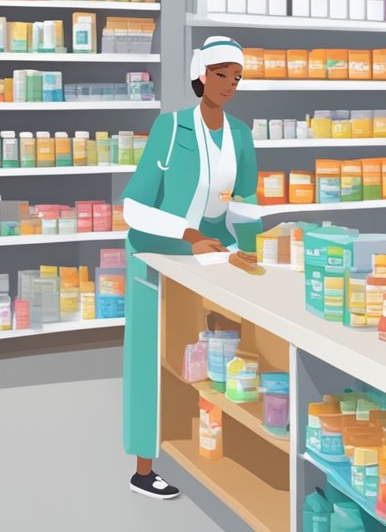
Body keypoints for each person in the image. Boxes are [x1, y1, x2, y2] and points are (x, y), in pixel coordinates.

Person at [121, 36, 261, 499]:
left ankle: (209, 444)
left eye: (237, 78)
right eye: (221, 75)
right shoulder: (172, 128)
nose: (229, 85)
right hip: (157, 255)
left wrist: (254, 248)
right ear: (201, 75)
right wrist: (189, 236)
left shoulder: (240, 134)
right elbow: (134, 208)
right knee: (151, 358)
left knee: (210, 357)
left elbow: (243, 202)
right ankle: (144, 469)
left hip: (211, 258)